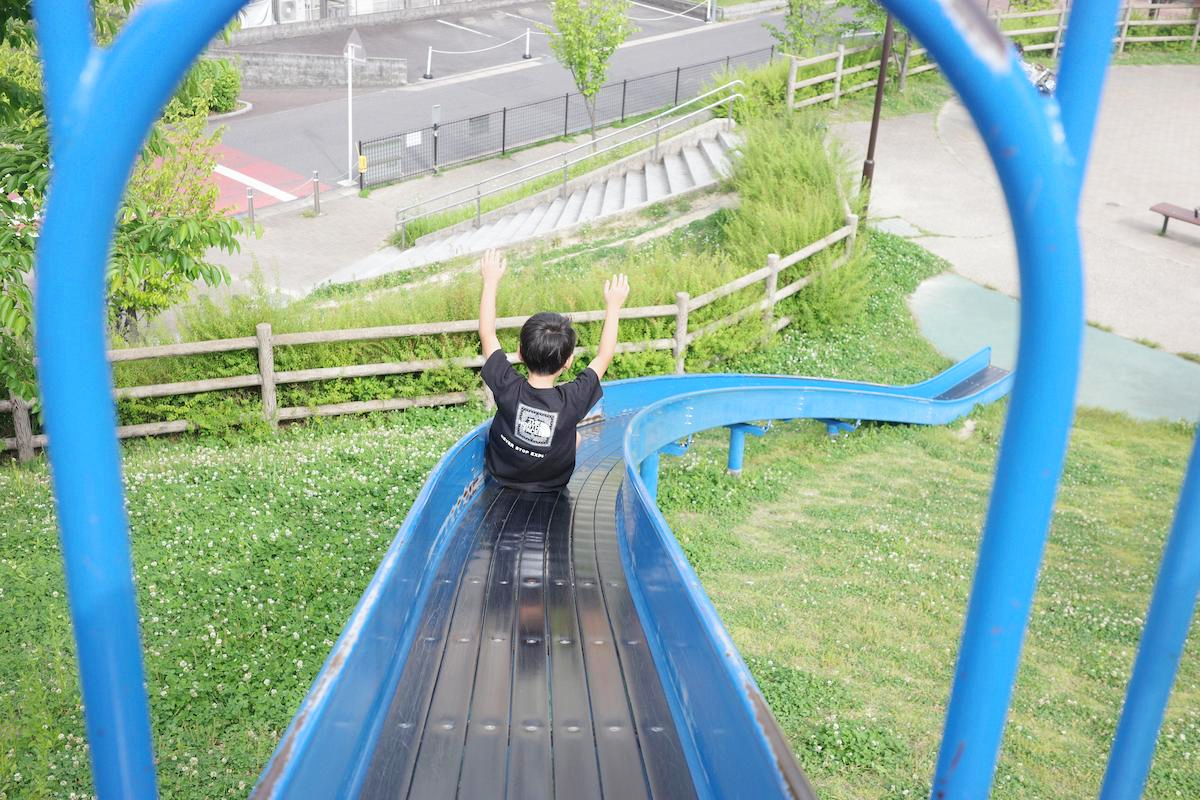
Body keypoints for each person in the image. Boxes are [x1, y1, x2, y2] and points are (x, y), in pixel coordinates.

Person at [477, 248, 630, 492]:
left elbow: (487, 333)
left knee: (573, 435)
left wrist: (490, 281)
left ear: (519, 352)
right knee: (576, 436)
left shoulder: (506, 385)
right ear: (568, 361)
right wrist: (614, 307)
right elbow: (604, 356)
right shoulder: (574, 398)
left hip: (502, 474)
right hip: (553, 482)